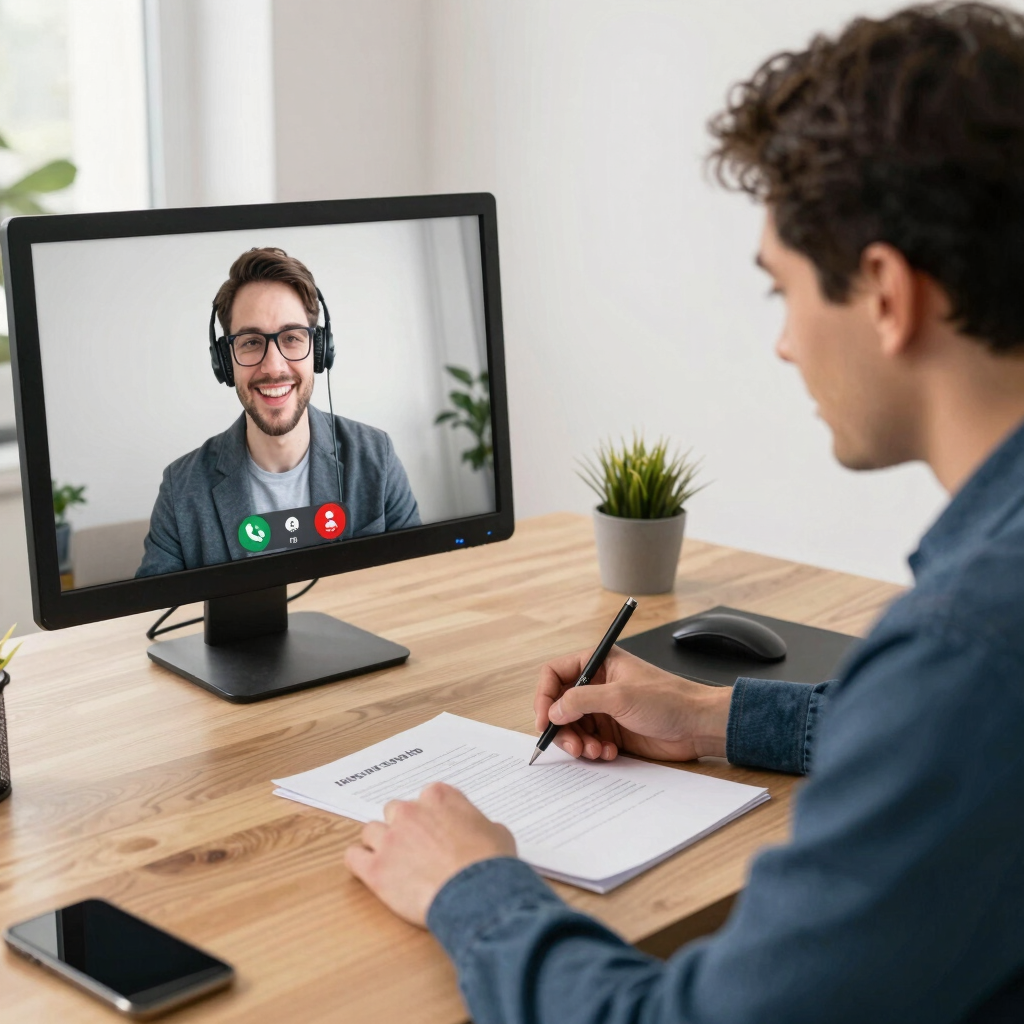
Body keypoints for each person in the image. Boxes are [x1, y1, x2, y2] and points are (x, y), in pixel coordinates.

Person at [343, 4, 1024, 1022]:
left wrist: (470, 884)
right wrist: (712, 718)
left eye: (782, 291)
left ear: (886, 293)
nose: (784, 343)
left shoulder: (967, 648)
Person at [137, 247, 420, 576]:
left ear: (319, 351)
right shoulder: (181, 489)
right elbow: (155, 605)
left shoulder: (375, 457)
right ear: (224, 362)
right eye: (251, 342)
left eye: (292, 338)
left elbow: (417, 579)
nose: (273, 367)